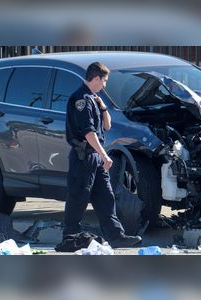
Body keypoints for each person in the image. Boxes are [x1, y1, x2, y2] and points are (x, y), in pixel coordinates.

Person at [63, 62, 142, 248]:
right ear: (96, 78)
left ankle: (116, 236)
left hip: (95, 158)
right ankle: (70, 237)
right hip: (84, 157)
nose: (105, 85)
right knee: (78, 198)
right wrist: (105, 155)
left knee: (106, 197)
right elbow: (88, 133)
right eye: (104, 80)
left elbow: (107, 126)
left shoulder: (93, 98)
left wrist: (104, 107)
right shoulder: (80, 99)